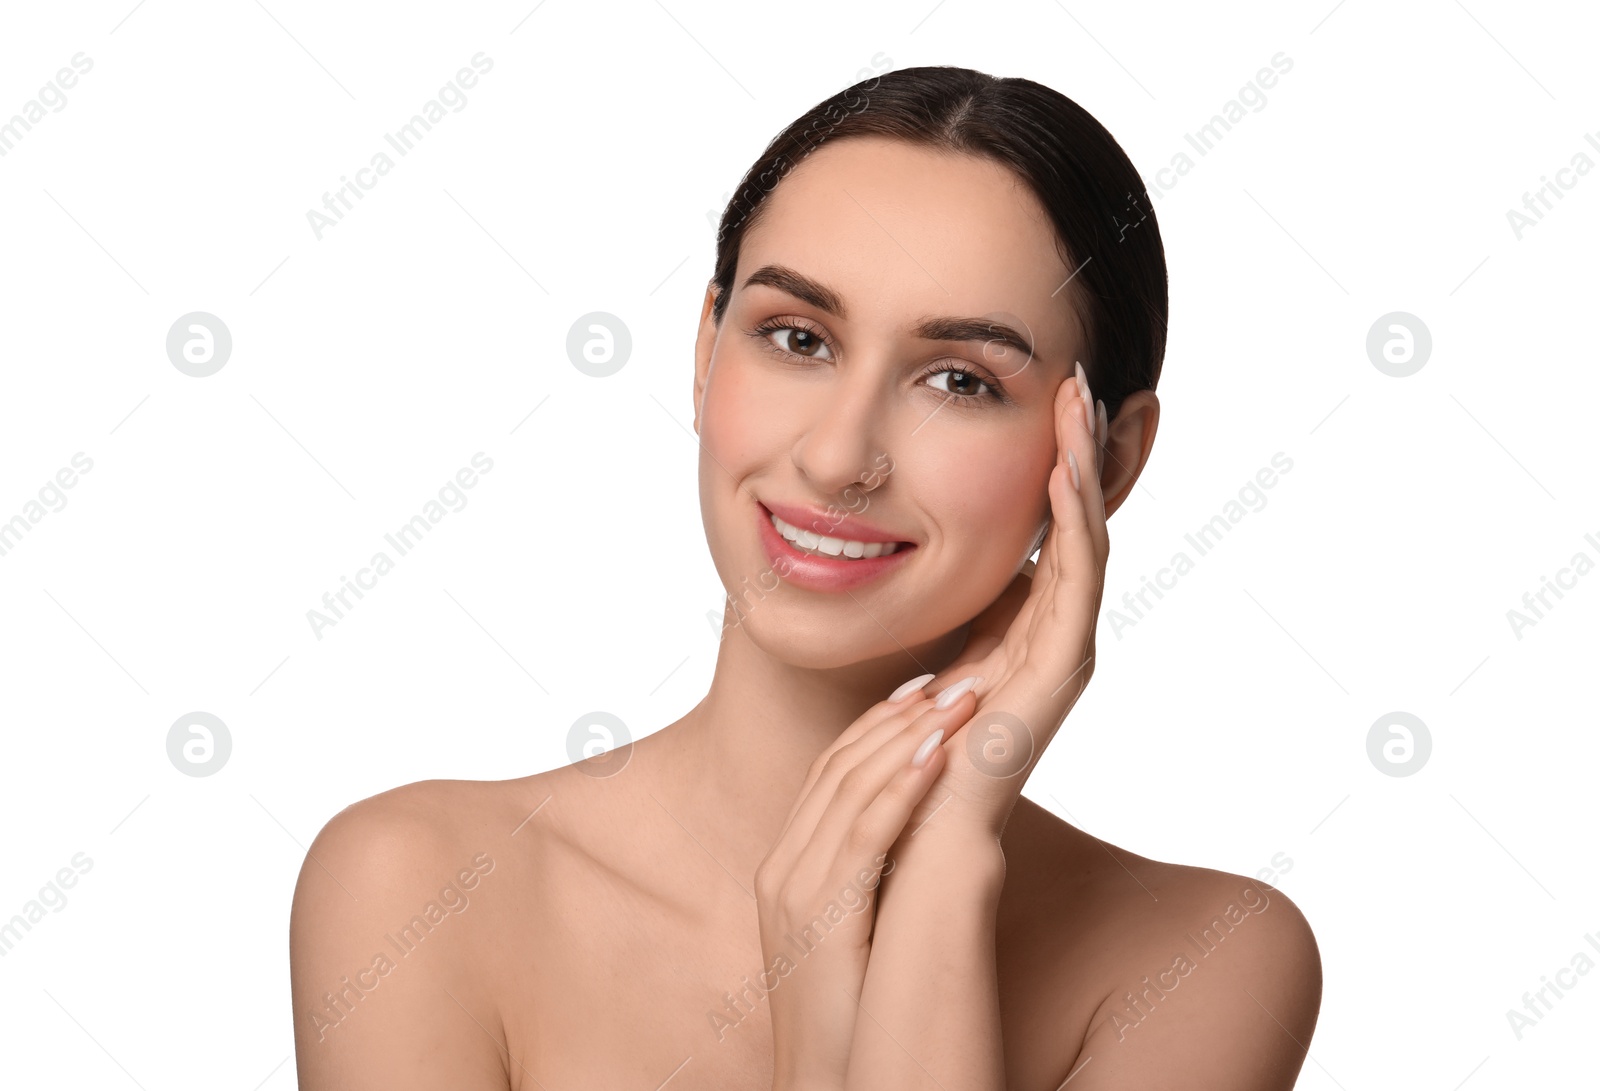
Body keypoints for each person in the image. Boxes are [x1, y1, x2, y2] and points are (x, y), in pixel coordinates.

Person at [289, 64, 1321, 1090]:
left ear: (1105, 459)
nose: (837, 458)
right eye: (797, 337)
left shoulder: (1206, 960)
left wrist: (938, 879)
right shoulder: (416, 888)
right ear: (705, 350)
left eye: (958, 380)